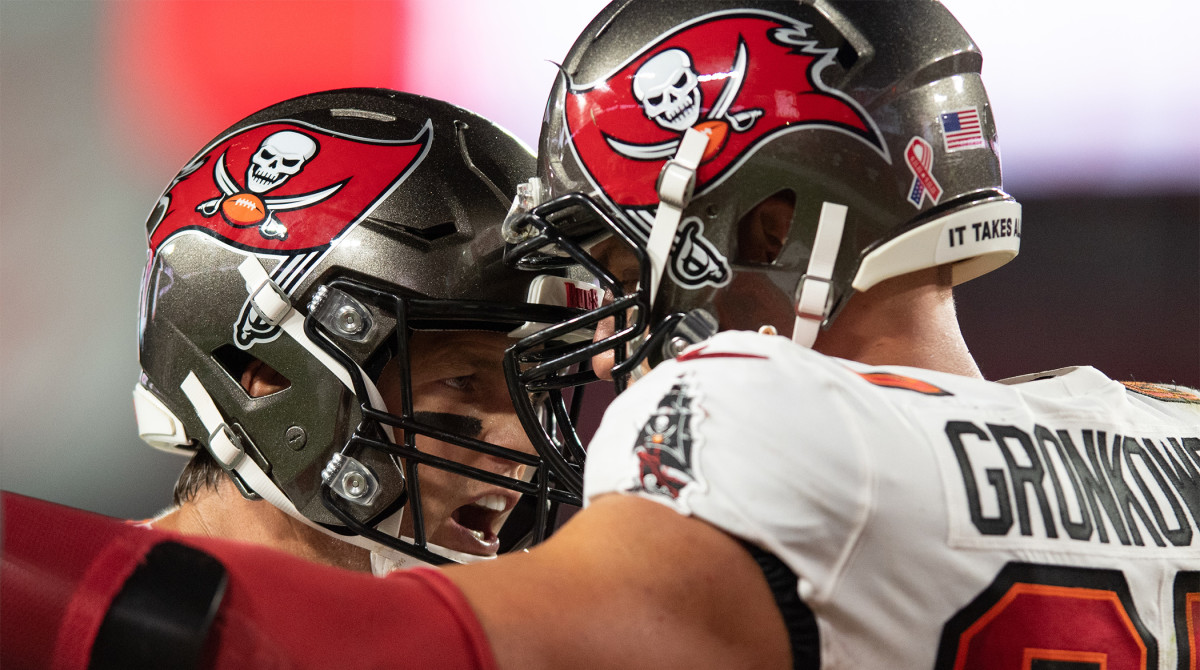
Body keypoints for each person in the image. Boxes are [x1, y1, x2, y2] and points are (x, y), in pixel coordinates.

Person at [4, 2, 1197, 669]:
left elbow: (373, 649)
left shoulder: (765, 413)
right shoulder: (1174, 432)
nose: (616, 319)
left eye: (622, 252)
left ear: (770, 217)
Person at [128, 88, 593, 571]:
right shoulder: (74, 624)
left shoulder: (448, 641)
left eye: (535, 393)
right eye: (461, 381)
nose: (529, 445)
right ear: (270, 378)